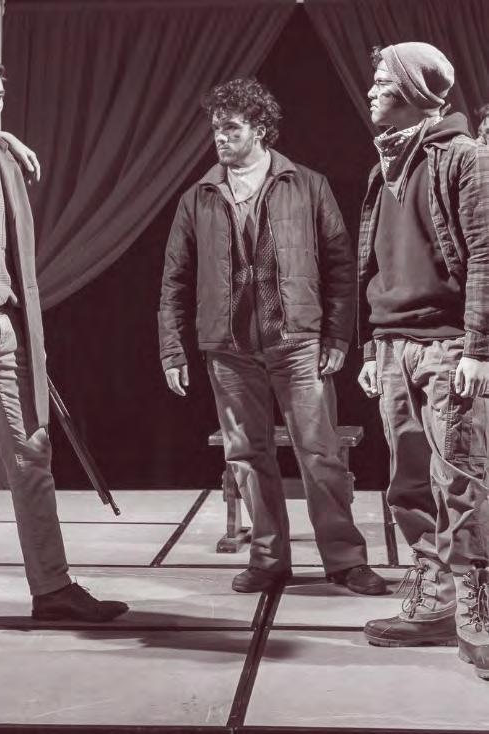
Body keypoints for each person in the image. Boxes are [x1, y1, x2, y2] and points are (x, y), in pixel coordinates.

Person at [159, 78, 386, 596]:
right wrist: (173, 348)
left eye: (231, 128)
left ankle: (345, 561)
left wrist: (337, 336)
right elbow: (174, 280)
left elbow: (341, 267)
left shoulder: (306, 185)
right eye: (216, 129)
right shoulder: (199, 196)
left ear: (260, 129)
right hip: (228, 350)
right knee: (245, 456)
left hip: (298, 343)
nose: (220, 137)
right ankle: (267, 559)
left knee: (321, 454)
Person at [0, 52, 129, 644]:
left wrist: (4, 139)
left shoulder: (2, 157)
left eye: (1, 94)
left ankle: (52, 588)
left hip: (5, 322)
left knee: (32, 455)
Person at [355, 43, 489, 679]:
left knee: (463, 481)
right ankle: (435, 601)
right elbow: (375, 263)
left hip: (448, 346)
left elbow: (486, 254)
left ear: (414, 90)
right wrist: (370, 345)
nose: (372, 89)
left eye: (384, 80)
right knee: (409, 483)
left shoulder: (464, 157)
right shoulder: (384, 164)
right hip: (393, 347)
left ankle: (478, 613)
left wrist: (480, 348)